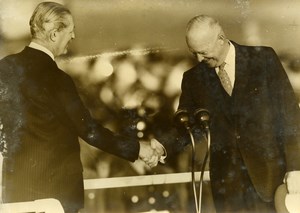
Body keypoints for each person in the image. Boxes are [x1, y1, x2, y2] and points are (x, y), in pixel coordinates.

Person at [0, 2, 164, 213]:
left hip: (14, 192)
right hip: (54, 197)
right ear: (54, 34)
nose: (74, 36)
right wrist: (138, 148)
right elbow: (90, 130)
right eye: (70, 30)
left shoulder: (4, 68)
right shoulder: (57, 79)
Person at [162, 15, 300, 213]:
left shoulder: (264, 59)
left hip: (271, 182)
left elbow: (290, 115)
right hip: (228, 190)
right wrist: (159, 146)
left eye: (203, 52)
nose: (200, 59)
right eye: (194, 53)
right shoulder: (193, 78)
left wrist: (295, 168)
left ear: (221, 38)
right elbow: (185, 129)